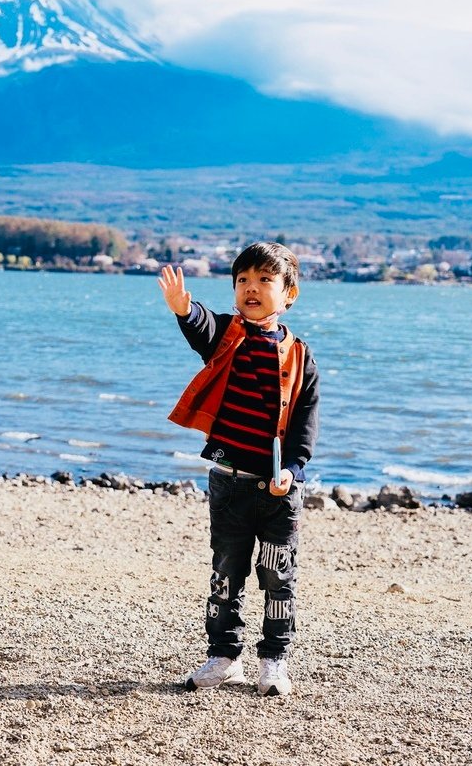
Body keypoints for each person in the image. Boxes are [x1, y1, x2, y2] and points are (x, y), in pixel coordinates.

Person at [158, 241, 319, 696]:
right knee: (226, 572)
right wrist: (184, 309)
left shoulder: (300, 355)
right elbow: (202, 328)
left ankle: (274, 660)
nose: (252, 288)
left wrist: (293, 467)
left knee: (278, 576)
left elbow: (306, 422)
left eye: (265, 280)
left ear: (289, 293)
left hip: (278, 490)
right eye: (243, 280)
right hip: (227, 483)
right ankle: (224, 656)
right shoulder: (228, 335)